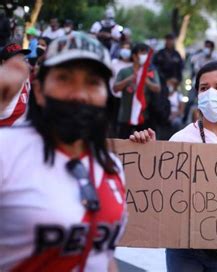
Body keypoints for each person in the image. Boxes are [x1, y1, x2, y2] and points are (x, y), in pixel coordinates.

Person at [0, 31, 126, 271]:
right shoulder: (6, 151)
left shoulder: (111, 166)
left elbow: (104, 256)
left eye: (93, 82)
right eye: (64, 78)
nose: (79, 94)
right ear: (38, 90)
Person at [131, 60, 217, 272]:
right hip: (183, 248)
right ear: (198, 96)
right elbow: (160, 194)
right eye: (204, 88)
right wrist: (147, 155)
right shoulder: (179, 140)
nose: (211, 93)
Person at [113, 43, 161, 139]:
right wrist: (129, 79)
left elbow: (157, 88)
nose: (145, 56)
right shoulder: (125, 71)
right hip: (125, 116)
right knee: (123, 143)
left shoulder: (151, 71)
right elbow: (115, 88)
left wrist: (145, 80)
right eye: (142, 53)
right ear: (134, 56)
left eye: (146, 53)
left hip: (143, 116)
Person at [0, 43, 31, 127]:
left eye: (22, 58)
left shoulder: (25, 75)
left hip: (20, 129)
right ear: (3, 62)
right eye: (15, 59)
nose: (20, 62)